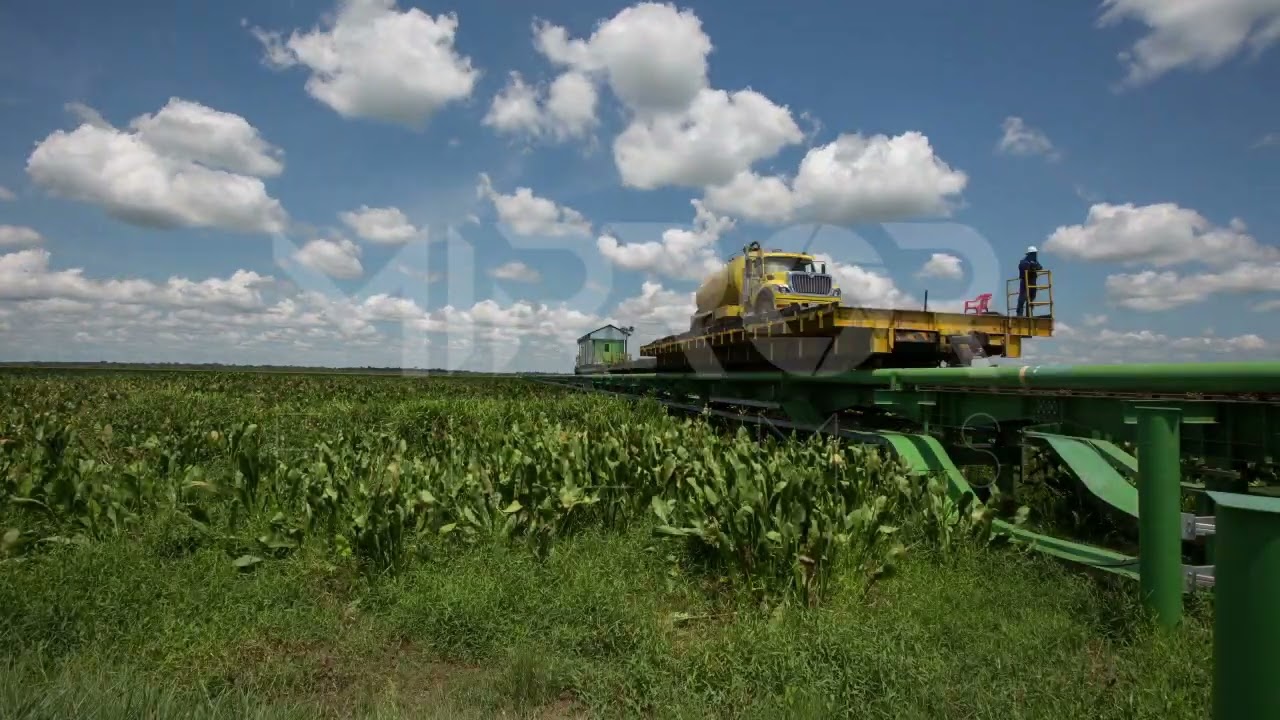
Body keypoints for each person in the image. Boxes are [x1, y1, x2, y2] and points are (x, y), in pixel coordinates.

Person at [1015, 246, 1042, 317]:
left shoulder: (1035, 261)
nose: (1035, 255)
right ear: (1030, 254)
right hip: (1025, 282)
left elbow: (1040, 267)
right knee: (1022, 299)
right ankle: (1019, 315)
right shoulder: (1024, 261)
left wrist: (1034, 265)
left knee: (1031, 298)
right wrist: (1030, 266)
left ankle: (1029, 314)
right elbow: (1023, 267)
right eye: (1034, 253)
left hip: (1032, 282)